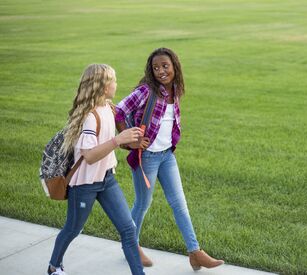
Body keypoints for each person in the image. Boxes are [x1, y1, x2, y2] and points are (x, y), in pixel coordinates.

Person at [115, 48, 224, 270]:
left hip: (167, 156)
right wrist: (131, 140)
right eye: (156, 68)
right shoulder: (146, 91)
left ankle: (195, 252)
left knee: (180, 204)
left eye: (165, 66)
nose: (161, 71)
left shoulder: (175, 89)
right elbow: (118, 111)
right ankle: (131, 247)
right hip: (147, 158)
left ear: (174, 66)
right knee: (143, 203)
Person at [47, 64, 145, 275]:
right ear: (102, 86)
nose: (116, 84)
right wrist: (118, 141)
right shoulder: (90, 117)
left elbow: (111, 140)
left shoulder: (109, 108)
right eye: (113, 80)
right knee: (73, 228)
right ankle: (54, 267)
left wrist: (131, 142)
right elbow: (90, 155)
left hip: (107, 180)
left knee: (128, 229)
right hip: (84, 185)